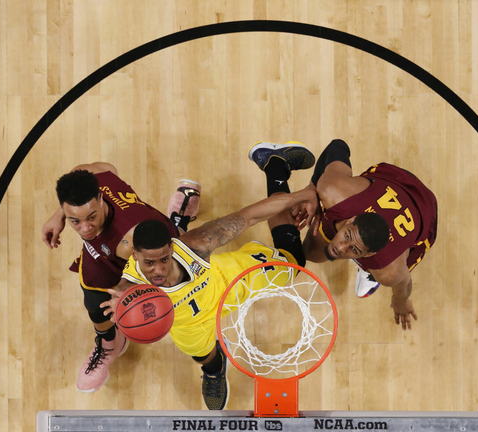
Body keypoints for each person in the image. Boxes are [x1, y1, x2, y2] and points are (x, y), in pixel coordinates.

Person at [100, 143, 317, 410]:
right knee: (206, 357)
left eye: (164, 260)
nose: (157, 271)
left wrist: (305, 194)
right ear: (134, 255)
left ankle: (275, 165)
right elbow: (122, 289)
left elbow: (250, 216)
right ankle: (215, 372)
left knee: (295, 264)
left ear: (172, 247)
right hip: (189, 324)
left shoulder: (196, 245)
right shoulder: (131, 288)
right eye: (148, 262)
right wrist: (121, 304)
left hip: (230, 282)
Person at [41, 162, 201, 392]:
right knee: (94, 302)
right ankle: (111, 343)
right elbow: (104, 167)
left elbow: (164, 275)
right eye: (75, 220)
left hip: (148, 251)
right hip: (107, 251)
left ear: (101, 198)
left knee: (170, 262)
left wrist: (125, 292)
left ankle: (179, 222)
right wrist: (59, 216)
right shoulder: (97, 180)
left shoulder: (129, 241)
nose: (85, 228)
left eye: (91, 217)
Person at [292, 139, 438, 331]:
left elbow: (404, 283)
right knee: (309, 253)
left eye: (355, 249)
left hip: (423, 213)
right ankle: (357, 250)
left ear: (369, 255)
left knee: (381, 271)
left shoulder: (389, 269)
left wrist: (401, 301)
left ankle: (367, 271)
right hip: (397, 181)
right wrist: (311, 189)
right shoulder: (333, 190)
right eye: (346, 237)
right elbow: (338, 146)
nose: (341, 247)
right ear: (351, 220)